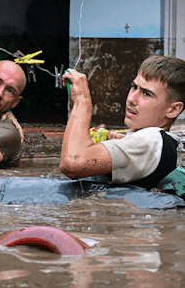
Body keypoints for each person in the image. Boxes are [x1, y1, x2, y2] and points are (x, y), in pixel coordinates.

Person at [60, 56, 185, 189]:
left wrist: (82, 100)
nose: (131, 99)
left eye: (146, 94)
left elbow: (72, 162)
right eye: (134, 87)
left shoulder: (152, 139)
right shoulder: (163, 143)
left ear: (173, 109)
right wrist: (120, 140)